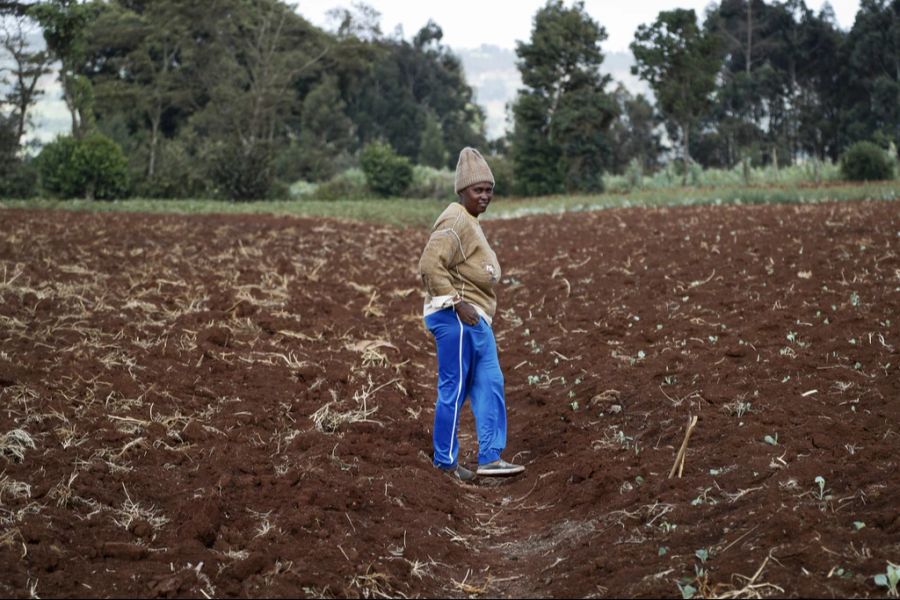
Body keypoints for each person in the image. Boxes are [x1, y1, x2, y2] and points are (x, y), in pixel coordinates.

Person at [418, 147, 525, 481]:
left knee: (489, 383)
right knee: (454, 387)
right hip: (457, 319)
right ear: (462, 191)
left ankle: (491, 457)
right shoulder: (454, 219)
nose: (485, 196)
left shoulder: (470, 221)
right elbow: (429, 264)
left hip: (474, 319)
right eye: (478, 190)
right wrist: (456, 302)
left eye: (489, 190)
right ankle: (445, 461)